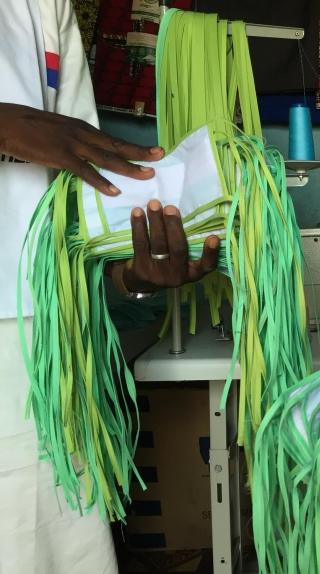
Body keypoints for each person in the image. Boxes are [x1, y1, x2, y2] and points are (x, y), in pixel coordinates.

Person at [0, 1, 218, 572]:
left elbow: (80, 213)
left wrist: (132, 277)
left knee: (46, 544)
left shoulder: (41, 6)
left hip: (37, 354)